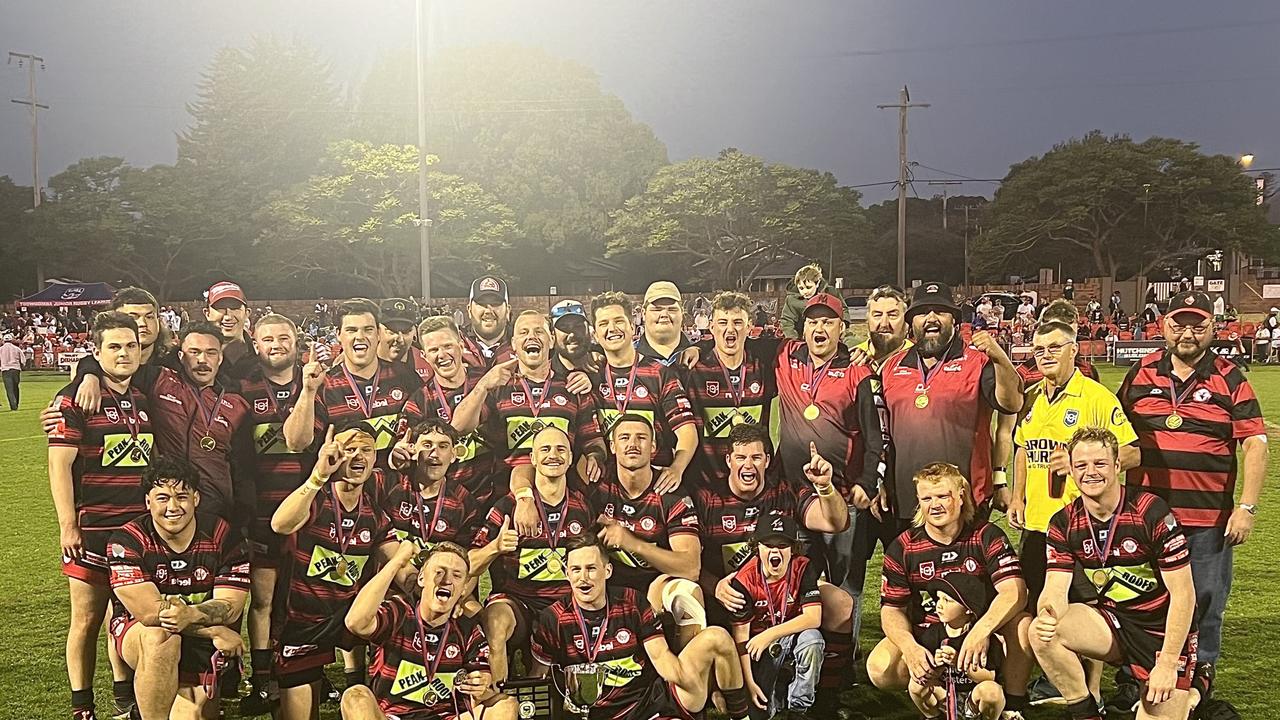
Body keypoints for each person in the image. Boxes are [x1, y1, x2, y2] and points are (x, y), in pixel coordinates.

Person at [1114, 291, 1267, 717]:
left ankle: (1199, 678)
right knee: (1136, 598)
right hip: (1143, 516)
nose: (1187, 333)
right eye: (1179, 324)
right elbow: (1117, 434)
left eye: (1197, 325)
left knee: (1204, 598)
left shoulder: (1229, 376)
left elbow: (1255, 445)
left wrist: (1247, 507)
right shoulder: (1140, 373)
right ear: (1163, 326)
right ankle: (1134, 676)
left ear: (1212, 329)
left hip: (1206, 517)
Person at [1031, 427, 1197, 720]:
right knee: (1042, 632)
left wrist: (1169, 662)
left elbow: (1183, 594)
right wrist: (1047, 613)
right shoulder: (1064, 522)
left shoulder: (1150, 512)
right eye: (1081, 465)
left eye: (1100, 464)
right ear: (1069, 469)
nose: (1090, 472)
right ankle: (1087, 713)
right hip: (1114, 623)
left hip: (1161, 631)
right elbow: (1055, 587)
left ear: (1117, 465)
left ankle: (1195, 693)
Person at [700, 422, 856, 710]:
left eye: (757, 457)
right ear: (728, 461)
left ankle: (829, 693)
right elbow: (687, 560)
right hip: (731, 596)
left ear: (767, 461)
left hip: (784, 590)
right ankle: (712, 687)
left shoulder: (784, 491)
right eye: (741, 457)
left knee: (842, 603)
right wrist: (714, 586)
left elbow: (837, 522)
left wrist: (825, 487)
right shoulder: (708, 498)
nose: (749, 465)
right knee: (690, 598)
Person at [48, 311, 155, 720]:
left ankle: (125, 700)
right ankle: (82, 706)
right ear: (97, 351)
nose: (124, 353)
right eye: (114, 346)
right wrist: (68, 525)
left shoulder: (141, 398)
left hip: (135, 531)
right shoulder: (75, 398)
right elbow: (59, 465)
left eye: (131, 345)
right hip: (91, 529)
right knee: (88, 619)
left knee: (125, 616)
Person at [867, 462, 1032, 718]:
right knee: (879, 668)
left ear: (960, 496)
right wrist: (911, 648)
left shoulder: (986, 535)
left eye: (943, 496)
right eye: (927, 498)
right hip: (932, 635)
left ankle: (1013, 704)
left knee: (1023, 626)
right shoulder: (904, 546)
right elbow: (892, 610)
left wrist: (980, 631)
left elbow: (1015, 592)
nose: (935, 505)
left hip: (982, 632)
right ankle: (943, 697)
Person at [529, 535, 754, 720]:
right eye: (576, 569)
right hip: (590, 713)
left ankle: (741, 717)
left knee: (717, 637)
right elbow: (537, 679)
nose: (583, 578)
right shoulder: (553, 618)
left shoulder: (632, 603)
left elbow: (664, 661)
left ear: (607, 571)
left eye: (591, 568)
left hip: (642, 707)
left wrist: (695, 692)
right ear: (566, 573)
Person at [269, 422, 402, 720]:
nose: (358, 456)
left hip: (345, 619)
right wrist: (319, 475)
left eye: (366, 450)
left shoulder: (374, 514)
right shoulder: (316, 499)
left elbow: (403, 569)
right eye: (349, 449)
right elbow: (280, 524)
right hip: (302, 621)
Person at [107, 455, 251, 720]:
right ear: (148, 502)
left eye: (182, 497)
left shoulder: (224, 535)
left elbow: (230, 606)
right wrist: (212, 630)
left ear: (195, 498)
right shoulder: (127, 540)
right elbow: (151, 615)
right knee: (161, 638)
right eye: (162, 498)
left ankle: (140, 712)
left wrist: (193, 615)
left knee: (192, 715)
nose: (173, 507)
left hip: (198, 641)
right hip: (138, 636)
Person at [879, 282, 1023, 541]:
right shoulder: (891, 367)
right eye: (923, 312)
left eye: (940, 311)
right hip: (906, 498)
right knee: (910, 577)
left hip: (965, 497)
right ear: (911, 323)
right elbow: (881, 433)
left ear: (955, 321)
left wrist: (1001, 358)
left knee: (964, 578)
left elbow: (1011, 403)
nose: (931, 318)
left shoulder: (978, 361)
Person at [451, 310, 606, 535]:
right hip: (508, 498)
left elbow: (593, 440)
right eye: (523, 332)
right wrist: (483, 385)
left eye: (539, 331)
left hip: (561, 498)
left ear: (551, 340)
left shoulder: (573, 386)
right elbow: (458, 427)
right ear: (513, 344)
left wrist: (595, 456)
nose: (531, 337)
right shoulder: (498, 386)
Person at [468, 425, 595, 685]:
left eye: (561, 449)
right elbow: (469, 563)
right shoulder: (507, 507)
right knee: (495, 622)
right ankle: (499, 701)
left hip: (566, 604)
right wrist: (496, 547)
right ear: (534, 459)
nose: (553, 455)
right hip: (517, 602)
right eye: (545, 449)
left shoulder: (583, 507)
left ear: (570, 459)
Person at [340, 541, 517, 720]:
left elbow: (483, 685)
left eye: (456, 575)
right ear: (421, 578)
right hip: (394, 716)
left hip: (444, 717)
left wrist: (481, 687)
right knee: (355, 697)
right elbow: (355, 622)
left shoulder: (468, 630)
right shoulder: (399, 613)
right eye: (439, 572)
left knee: (506, 706)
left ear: (463, 589)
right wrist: (396, 562)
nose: (446, 580)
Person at [237, 313, 309, 715]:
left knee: (301, 597)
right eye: (268, 339)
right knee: (262, 599)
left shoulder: (315, 383)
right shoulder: (242, 387)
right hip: (262, 512)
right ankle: (263, 679)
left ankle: (299, 672)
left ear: (296, 341)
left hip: (307, 512)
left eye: (284, 337)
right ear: (255, 343)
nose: (276, 344)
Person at [590, 414, 706, 646]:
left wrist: (632, 542)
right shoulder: (598, 486)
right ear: (612, 446)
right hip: (608, 586)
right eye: (624, 437)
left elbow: (691, 568)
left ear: (653, 446)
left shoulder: (671, 492)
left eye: (641, 437)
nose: (633, 444)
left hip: (656, 585)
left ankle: (685, 676)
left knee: (688, 594)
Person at [284, 299, 425, 471]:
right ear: (338, 334)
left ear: (378, 334)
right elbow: (296, 443)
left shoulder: (405, 377)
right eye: (351, 330)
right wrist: (308, 391)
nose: (360, 336)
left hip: (395, 491)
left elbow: (425, 432)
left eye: (368, 329)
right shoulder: (323, 384)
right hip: (346, 492)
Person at [585, 291, 698, 491]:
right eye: (603, 324)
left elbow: (687, 432)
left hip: (652, 487)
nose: (612, 329)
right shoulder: (591, 376)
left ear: (632, 326)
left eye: (619, 321)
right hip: (607, 489)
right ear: (595, 334)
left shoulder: (659, 374)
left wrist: (676, 469)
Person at [728, 515, 824, 718]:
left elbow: (814, 618)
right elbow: (741, 639)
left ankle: (799, 708)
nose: (775, 551)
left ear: (792, 549)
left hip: (787, 635)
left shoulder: (803, 567)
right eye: (768, 545)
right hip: (758, 649)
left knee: (813, 641)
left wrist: (770, 634)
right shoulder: (744, 580)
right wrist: (750, 684)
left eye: (782, 545)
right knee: (761, 713)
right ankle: (779, 686)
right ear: (757, 548)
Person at [684, 291, 778, 484]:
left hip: (754, 479)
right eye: (722, 322)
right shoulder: (696, 371)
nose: (730, 329)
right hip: (709, 482)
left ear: (750, 326)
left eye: (737, 322)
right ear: (711, 327)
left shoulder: (763, 368)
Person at [408, 316, 496, 508]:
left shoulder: (489, 379)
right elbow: (405, 448)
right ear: (424, 356)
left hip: (494, 495)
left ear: (461, 344)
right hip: (449, 504)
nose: (442, 355)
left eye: (447, 346)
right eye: (433, 350)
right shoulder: (420, 400)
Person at [909, 574, 1007, 720]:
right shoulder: (932, 634)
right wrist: (937, 665)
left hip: (973, 697)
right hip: (944, 694)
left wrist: (958, 663)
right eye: (938, 598)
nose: (939, 605)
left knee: (992, 692)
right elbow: (928, 675)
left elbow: (989, 677)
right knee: (915, 685)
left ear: (968, 609)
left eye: (947, 600)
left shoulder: (983, 639)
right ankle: (933, 716)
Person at [851, 284, 913, 372]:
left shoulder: (918, 360)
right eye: (877, 315)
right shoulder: (853, 357)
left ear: (906, 322)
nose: (884, 324)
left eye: (892, 315)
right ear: (867, 320)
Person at [203, 280, 257, 380]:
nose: (228, 316)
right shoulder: (191, 358)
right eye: (220, 308)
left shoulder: (264, 354)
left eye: (235, 307)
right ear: (207, 313)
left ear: (247, 313)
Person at [461, 275, 515, 369]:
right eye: (481, 304)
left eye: (495, 304)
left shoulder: (522, 345)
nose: (488, 311)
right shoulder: (455, 346)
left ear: (507, 310)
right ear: (469, 310)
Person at [636, 281, 693, 366]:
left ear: (681, 314)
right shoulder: (628, 356)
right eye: (657, 309)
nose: (664, 315)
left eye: (672, 309)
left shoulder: (703, 357)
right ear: (644, 314)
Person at [377, 297, 432, 382]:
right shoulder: (364, 362)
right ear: (377, 331)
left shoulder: (428, 362)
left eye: (406, 331)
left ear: (414, 332)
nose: (400, 339)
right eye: (392, 331)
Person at [780, 263, 829, 340]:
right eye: (801, 288)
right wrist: (794, 339)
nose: (805, 291)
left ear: (817, 284)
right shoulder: (792, 300)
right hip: (801, 337)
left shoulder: (828, 294)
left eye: (809, 287)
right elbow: (787, 321)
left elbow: (842, 312)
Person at [549, 299, 595, 376]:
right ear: (553, 335)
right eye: (563, 327)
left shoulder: (603, 367)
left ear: (589, 329)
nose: (572, 334)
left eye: (578, 326)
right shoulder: (545, 373)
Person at [1, 333, 21, 410]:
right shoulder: (17, 349)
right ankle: (16, 403)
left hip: (5, 370)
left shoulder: (1, 349)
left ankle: (13, 406)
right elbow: (23, 360)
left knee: (9, 389)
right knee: (16, 387)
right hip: (16, 369)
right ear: (11, 340)